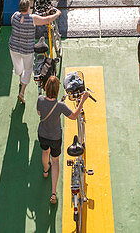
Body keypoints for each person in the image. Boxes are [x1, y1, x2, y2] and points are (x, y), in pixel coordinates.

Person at [38, 75, 91, 205]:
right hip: (55, 137)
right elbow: (73, 116)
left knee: (45, 152)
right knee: (55, 161)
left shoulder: (40, 99)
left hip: (42, 134)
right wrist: (83, 100)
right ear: (57, 90)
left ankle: (45, 171)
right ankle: (53, 193)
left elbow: (39, 113)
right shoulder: (60, 106)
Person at [9, 0, 60, 104]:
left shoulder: (14, 15)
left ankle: (20, 79)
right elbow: (48, 20)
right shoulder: (33, 18)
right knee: (28, 70)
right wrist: (57, 13)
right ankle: (22, 92)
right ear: (29, 8)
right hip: (26, 50)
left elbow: (14, 24)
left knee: (18, 66)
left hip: (13, 47)